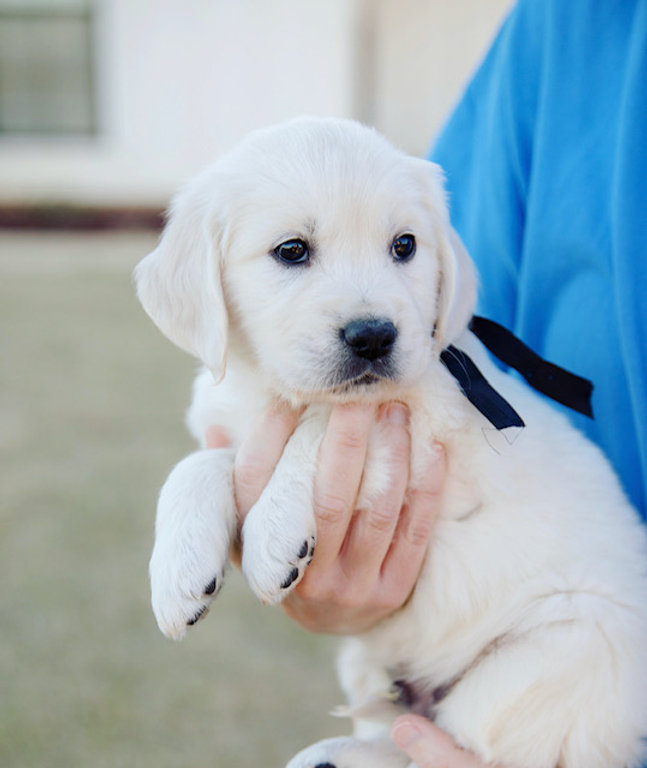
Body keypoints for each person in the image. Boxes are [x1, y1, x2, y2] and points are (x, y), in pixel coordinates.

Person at [209, 0, 647, 764]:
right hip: (451, 652)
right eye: (292, 251)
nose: (366, 303)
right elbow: (447, 344)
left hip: (585, 652)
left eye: (398, 247)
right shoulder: (566, 28)